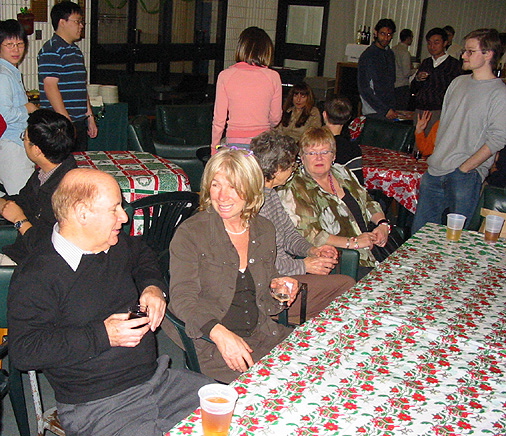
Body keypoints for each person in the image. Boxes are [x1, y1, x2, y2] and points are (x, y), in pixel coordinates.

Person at [8, 168, 211, 436]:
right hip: (98, 405)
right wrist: (103, 335)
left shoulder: (113, 244)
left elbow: (143, 255)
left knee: (236, 407)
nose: (124, 217)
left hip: (158, 382)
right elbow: (24, 351)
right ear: (82, 214)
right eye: (115, 208)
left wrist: (153, 288)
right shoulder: (37, 275)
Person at [169, 149, 298, 383]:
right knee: (272, 387)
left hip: (261, 332)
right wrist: (219, 334)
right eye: (216, 185)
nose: (222, 196)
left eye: (233, 186)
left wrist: (280, 286)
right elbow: (181, 299)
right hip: (211, 342)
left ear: (250, 190)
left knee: (312, 363)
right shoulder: (191, 234)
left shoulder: (264, 229)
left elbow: (268, 296)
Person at [251, 131, 355, 322]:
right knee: (347, 286)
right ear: (279, 168)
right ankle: (278, 324)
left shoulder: (271, 194)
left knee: (336, 290)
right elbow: (261, 265)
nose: (294, 170)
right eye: (292, 165)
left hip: (285, 272)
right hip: (270, 286)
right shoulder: (254, 205)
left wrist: (312, 250)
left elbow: (289, 234)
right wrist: (304, 265)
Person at [412, 29, 506, 234]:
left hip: (465, 176)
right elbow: (445, 126)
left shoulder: (499, 93)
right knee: (419, 236)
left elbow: (498, 138)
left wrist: (465, 168)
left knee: (455, 241)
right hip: (435, 170)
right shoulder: (457, 82)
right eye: (464, 51)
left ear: (488, 54)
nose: (463, 55)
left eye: (470, 51)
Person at [277, 127, 390, 280]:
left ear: (334, 156)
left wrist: (382, 225)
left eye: (325, 152)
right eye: (312, 153)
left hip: (373, 248)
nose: (319, 158)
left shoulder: (343, 172)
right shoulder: (294, 187)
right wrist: (354, 243)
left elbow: (369, 202)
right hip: (343, 260)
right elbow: (310, 234)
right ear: (302, 158)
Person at [0, 109, 77, 264]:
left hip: (33, 267)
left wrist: (19, 220)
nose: (23, 141)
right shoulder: (45, 174)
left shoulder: (65, 192)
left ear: (36, 150)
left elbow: (48, 249)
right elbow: (23, 200)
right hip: (20, 253)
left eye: (24, 137)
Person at [211, 26, 282, 154]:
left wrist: (214, 148)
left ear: (241, 48)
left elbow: (219, 120)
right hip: (262, 142)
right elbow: (276, 118)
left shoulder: (225, 75)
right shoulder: (273, 77)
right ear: (267, 51)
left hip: (234, 142)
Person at [38, 1, 97, 151]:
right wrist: (66, 122)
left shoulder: (75, 51)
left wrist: (89, 117)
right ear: (62, 22)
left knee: (79, 168)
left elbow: (81, 87)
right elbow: (50, 87)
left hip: (78, 121)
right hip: (59, 124)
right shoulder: (52, 49)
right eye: (77, 21)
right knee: (63, 170)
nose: (81, 26)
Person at [0, 19, 37, 196]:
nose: (16, 49)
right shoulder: (3, 76)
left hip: (16, 144)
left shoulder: (11, 72)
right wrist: (28, 109)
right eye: (9, 44)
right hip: (11, 145)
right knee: (22, 199)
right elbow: (4, 115)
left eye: (20, 44)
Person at [410, 28, 461, 135]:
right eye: (429, 43)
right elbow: (413, 88)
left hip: (439, 111)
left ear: (445, 43)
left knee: (433, 144)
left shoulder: (454, 65)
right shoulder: (426, 62)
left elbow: (457, 92)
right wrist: (418, 79)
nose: (432, 46)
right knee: (417, 143)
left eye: (436, 43)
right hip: (420, 109)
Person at [357, 18, 397, 120]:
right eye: (382, 34)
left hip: (389, 108)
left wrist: (390, 108)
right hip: (373, 110)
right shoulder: (368, 56)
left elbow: (391, 83)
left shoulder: (390, 54)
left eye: (389, 35)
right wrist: (384, 109)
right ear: (375, 33)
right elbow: (364, 88)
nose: (386, 38)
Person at [323, 96, 363, 184]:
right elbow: (357, 184)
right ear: (348, 118)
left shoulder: (310, 143)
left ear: (324, 115)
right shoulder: (353, 150)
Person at [392, 29, 416, 110]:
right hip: (402, 86)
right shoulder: (405, 53)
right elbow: (406, 73)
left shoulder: (393, 49)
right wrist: (416, 70)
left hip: (392, 85)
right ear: (408, 38)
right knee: (401, 112)